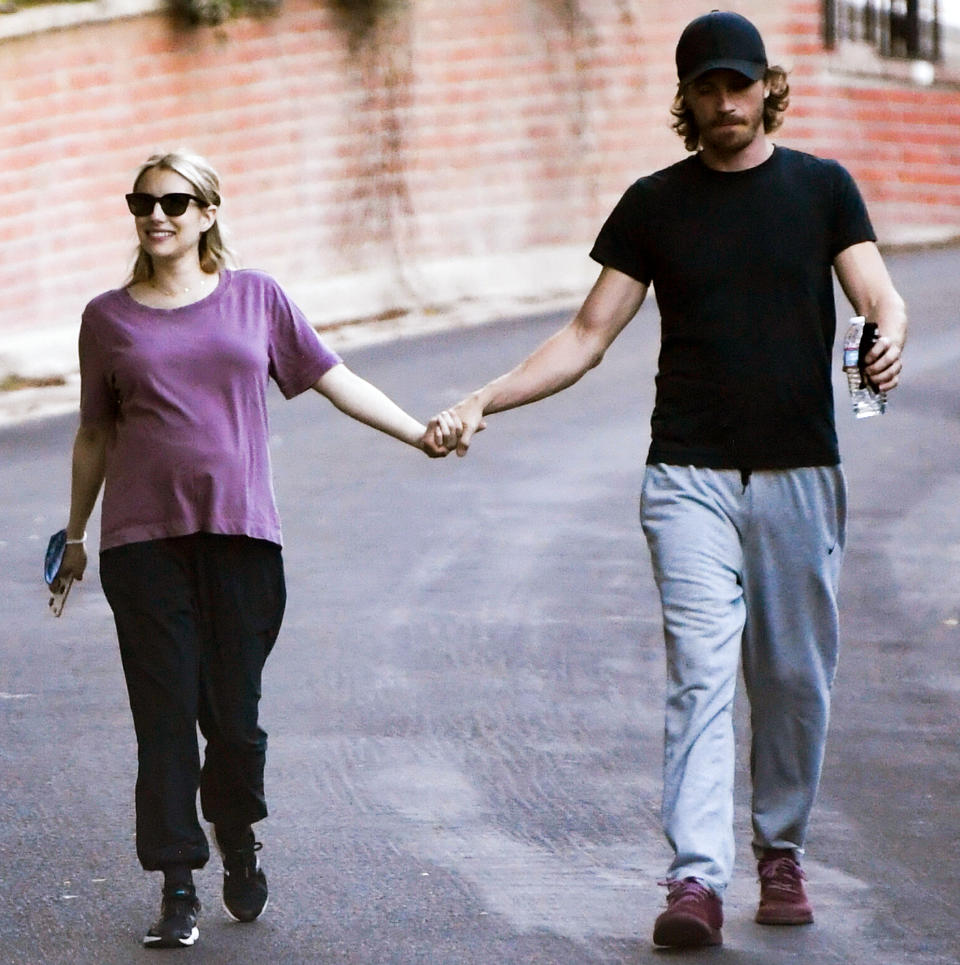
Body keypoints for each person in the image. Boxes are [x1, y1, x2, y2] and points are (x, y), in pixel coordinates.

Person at [426, 10, 907, 949]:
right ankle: (696, 878)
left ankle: (780, 850)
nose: (725, 102)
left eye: (740, 84)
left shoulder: (822, 189)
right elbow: (585, 335)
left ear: (769, 86)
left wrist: (888, 338)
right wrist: (483, 398)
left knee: (793, 678)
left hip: (800, 473)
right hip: (686, 476)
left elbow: (878, 294)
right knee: (699, 674)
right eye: (706, 88)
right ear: (684, 99)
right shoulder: (655, 204)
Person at [51, 150, 450, 949]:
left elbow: (332, 377)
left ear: (207, 212)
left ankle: (237, 830)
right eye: (142, 202)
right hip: (142, 545)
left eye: (174, 201)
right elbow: (95, 431)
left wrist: (418, 432)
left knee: (233, 721)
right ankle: (176, 882)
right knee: (164, 716)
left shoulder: (256, 298)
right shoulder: (107, 318)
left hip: (241, 539)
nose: (155, 214)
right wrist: (76, 535)